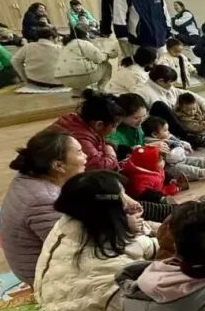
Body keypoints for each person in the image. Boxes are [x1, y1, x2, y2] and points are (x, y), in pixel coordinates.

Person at [35, 170, 159, 311]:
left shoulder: (74, 222)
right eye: (122, 198)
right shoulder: (105, 265)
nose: (132, 203)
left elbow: (130, 245)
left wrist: (135, 229)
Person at [48, 91, 175, 223]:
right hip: (78, 186)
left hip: (76, 181)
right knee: (118, 195)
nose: (114, 131)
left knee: (123, 192)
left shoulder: (79, 123)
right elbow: (96, 165)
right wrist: (110, 153)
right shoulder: (80, 136)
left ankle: (167, 211)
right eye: (114, 126)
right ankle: (166, 213)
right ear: (99, 124)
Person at [0, 131, 87, 286]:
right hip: (45, 277)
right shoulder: (45, 199)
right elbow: (72, 247)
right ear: (58, 165)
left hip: (36, 263)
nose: (85, 156)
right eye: (80, 152)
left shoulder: (28, 177)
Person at [141, 116, 205, 182]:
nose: (168, 132)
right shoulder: (154, 143)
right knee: (182, 169)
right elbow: (171, 157)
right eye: (165, 131)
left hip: (176, 160)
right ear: (154, 134)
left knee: (189, 159)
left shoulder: (165, 137)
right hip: (167, 167)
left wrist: (184, 145)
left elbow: (177, 142)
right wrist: (181, 149)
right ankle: (202, 173)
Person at [55, 26, 112, 96]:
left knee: (79, 68)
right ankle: (101, 89)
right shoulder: (83, 43)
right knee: (107, 65)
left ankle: (77, 92)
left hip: (63, 78)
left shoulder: (66, 45)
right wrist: (107, 54)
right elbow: (100, 58)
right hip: (81, 75)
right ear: (86, 35)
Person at [107, 93, 160, 158]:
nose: (141, 121)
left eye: (144, 116)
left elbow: (141, 144)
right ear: (123, 116)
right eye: (136, 118)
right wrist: (146, 148)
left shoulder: (136, 126)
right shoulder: (112, 133)